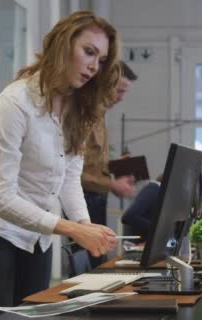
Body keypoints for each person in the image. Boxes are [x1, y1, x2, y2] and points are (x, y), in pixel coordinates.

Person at [0, 11, 121, 320]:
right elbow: (2, 199)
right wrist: (72, 228)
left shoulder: (78, 108)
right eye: (88, 52)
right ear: (64, 45)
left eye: (100, 60)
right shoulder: (15, 103)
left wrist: (87, 229)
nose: (93, 66)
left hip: (37, 237)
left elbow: (69, 179)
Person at [80, 61, 137, 268]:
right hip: (82, 201)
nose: (122, 98)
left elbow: (92, 162)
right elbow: (73, 172)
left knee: (98, 260)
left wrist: (116, 172)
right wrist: (112, 185)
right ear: (105, 83)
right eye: (119, 91)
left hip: (96, 199)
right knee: (88, 263)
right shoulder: (83, 115)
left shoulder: (101, 114)